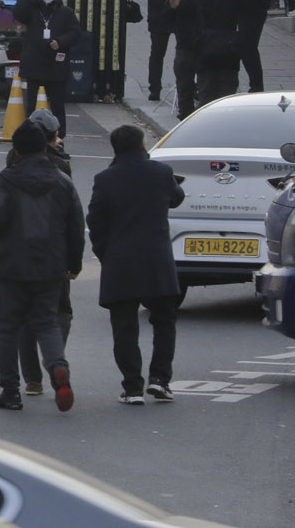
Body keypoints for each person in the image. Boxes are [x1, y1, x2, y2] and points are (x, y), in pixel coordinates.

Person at [0, 117, 85, 413]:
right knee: (47, 321)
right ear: (45, 146)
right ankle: (58, 368)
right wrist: (73, 264)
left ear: (17, 148)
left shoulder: (6, 179)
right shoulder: (63, 182)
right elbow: (76, 226)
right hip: (50, 264)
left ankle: (10, 391)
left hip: (13, 263)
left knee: (9, 327)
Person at [88, 124, 185, 404]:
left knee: (124, 326)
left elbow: (95, 220)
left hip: (121, 261)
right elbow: (177, 199)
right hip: (157, 259)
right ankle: (160, 380)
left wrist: (105, 252)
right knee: (164, 321)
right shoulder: (162, 173)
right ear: (143, 145)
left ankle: (132, 387)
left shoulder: (105, 178)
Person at [9, 110, 74, 398]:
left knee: (23, 316)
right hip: (54, 252)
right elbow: (74, 218)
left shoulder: (12, 166)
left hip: (19, 254)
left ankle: (31, 379)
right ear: (48, 139)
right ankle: (55, 361)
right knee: (58, 312)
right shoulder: (60, 170)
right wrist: (75, 259)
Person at [168, 0, 244, 118]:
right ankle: (226, 118)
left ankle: (200, 119)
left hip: (205, 47)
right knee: (227, 87)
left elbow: (182, 10)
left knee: (206, 89)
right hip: (228, 46)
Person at [16, 0, 83, 137]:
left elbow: (75, 33)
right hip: (34, 63)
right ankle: (30, 137)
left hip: (55, 65)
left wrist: (60, 42)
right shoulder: (31, 10)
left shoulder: (64, 12)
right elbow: (17, 13)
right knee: (30, 106)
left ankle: (59, 137)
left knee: (58, 105)